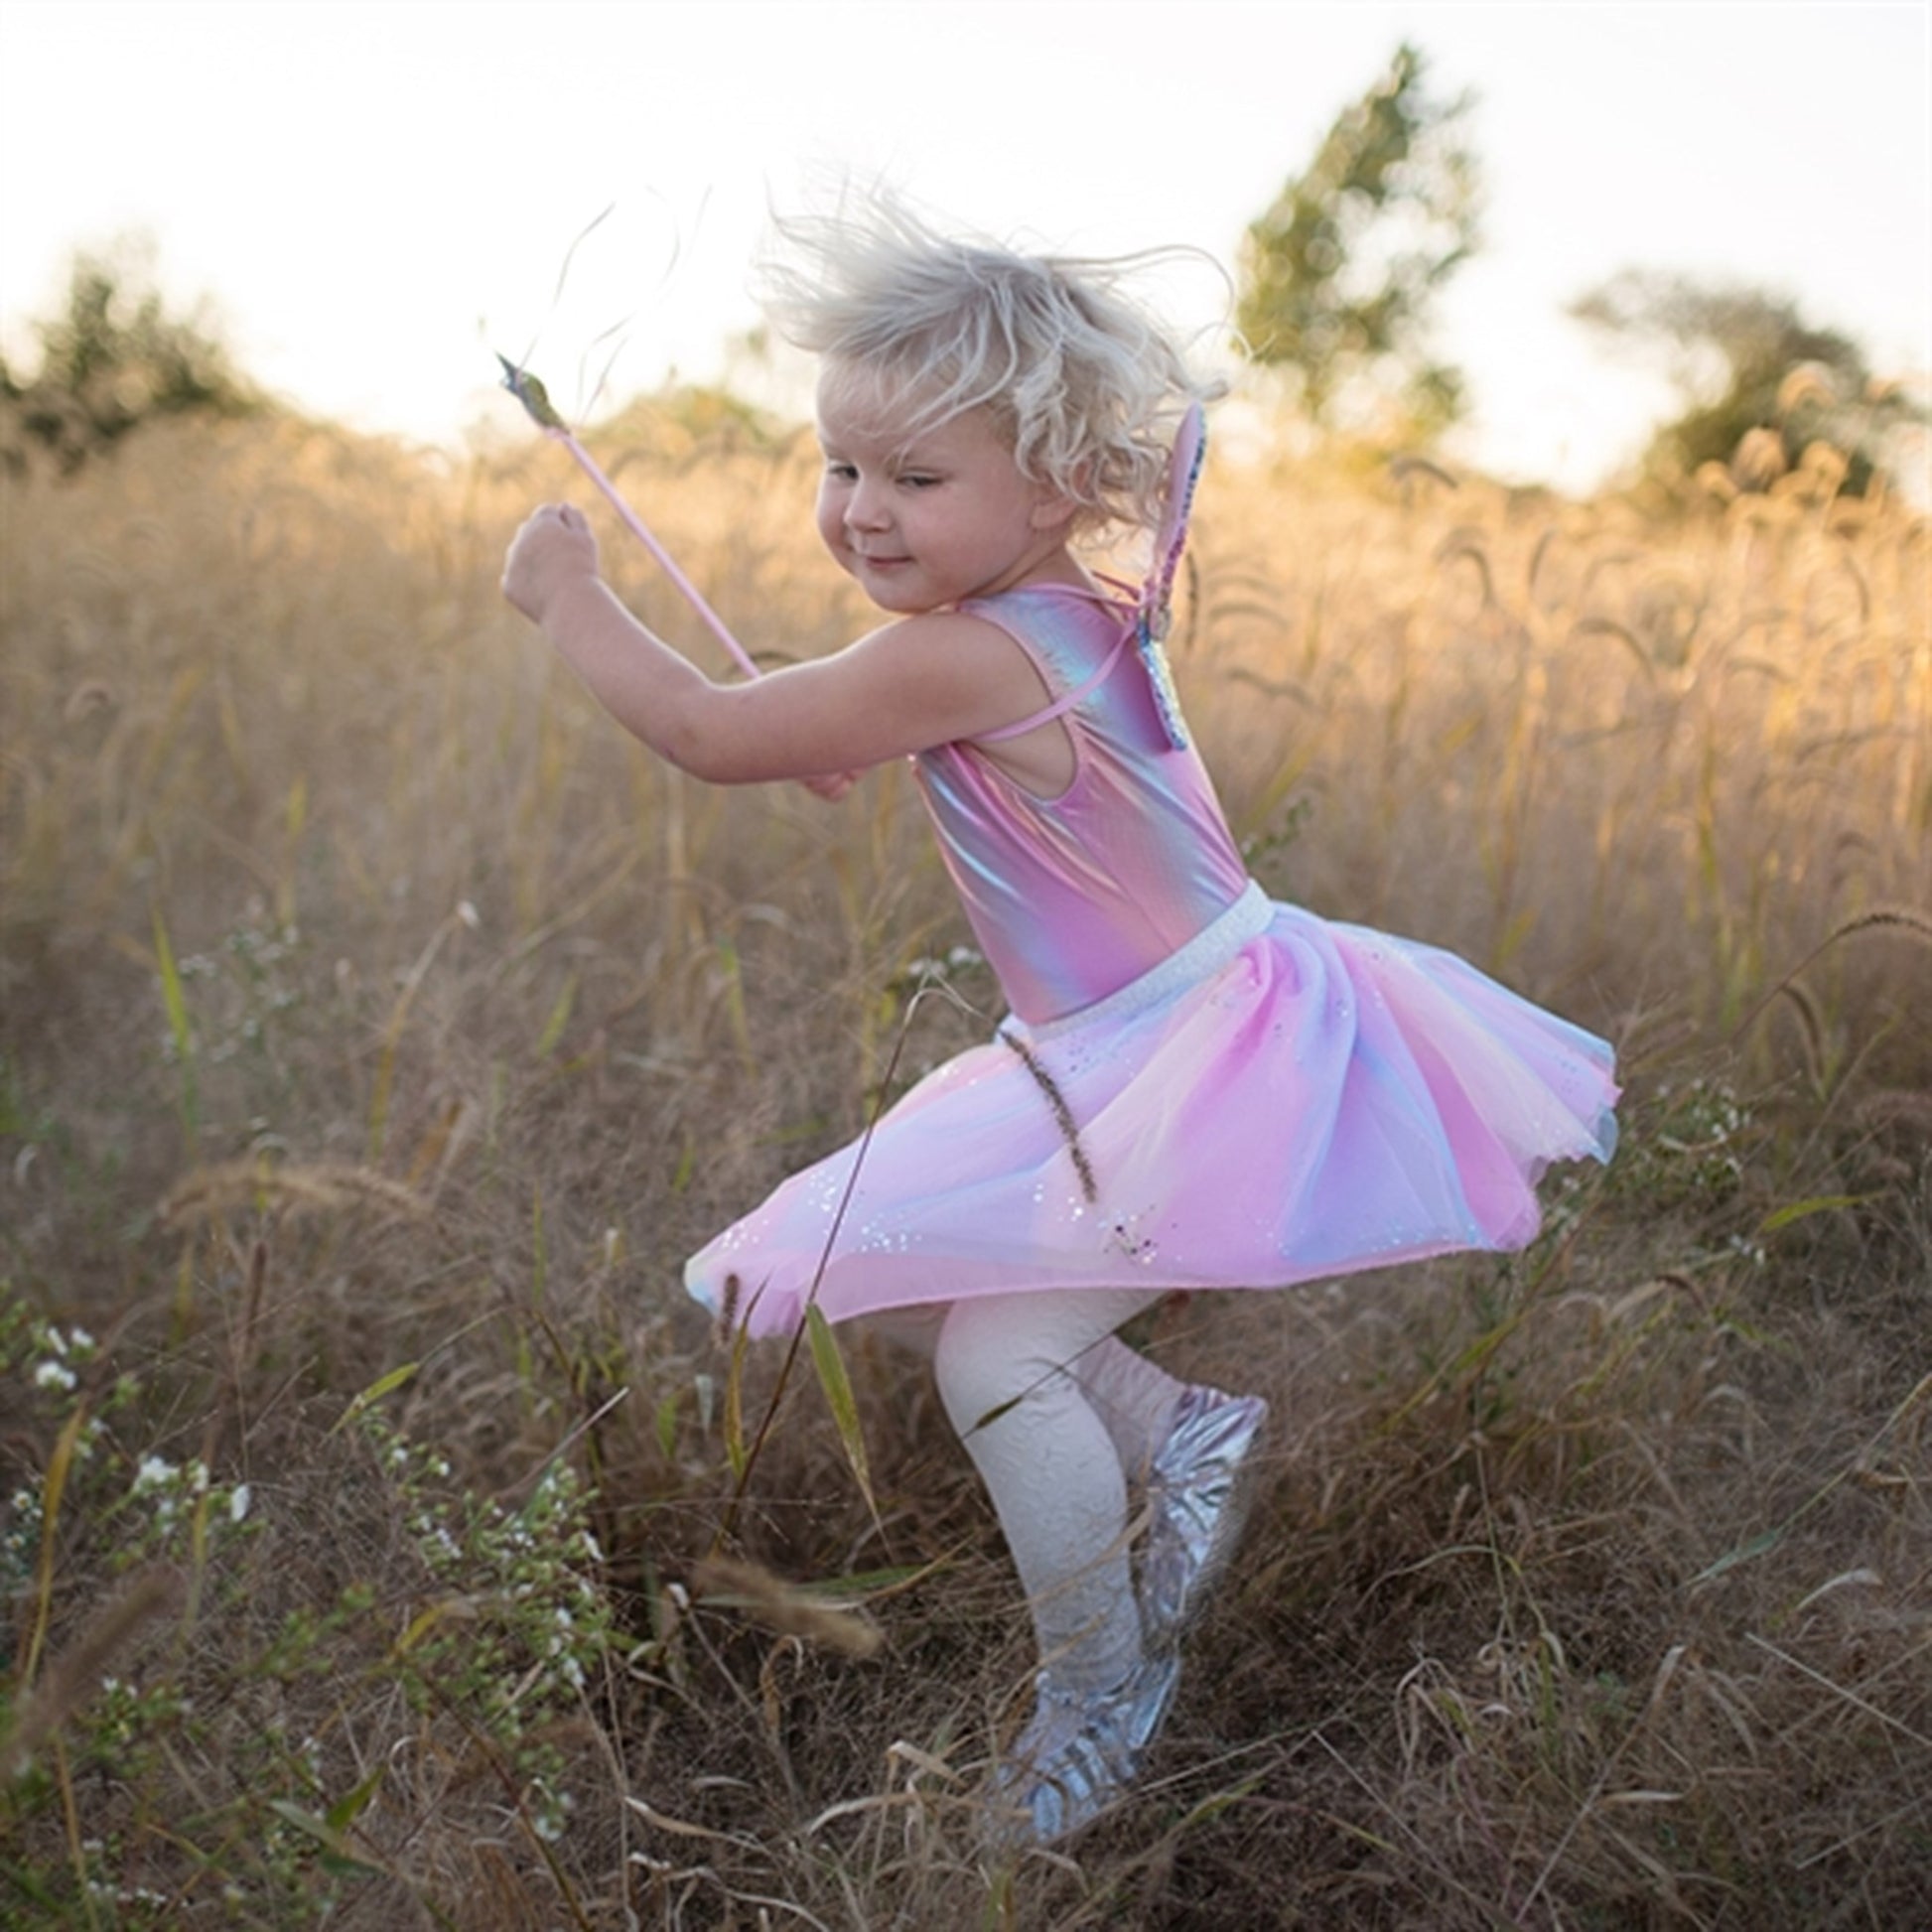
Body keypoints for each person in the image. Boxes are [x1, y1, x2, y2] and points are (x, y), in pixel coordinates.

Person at [501, 196, 1618, 1848]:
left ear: (1052, 481)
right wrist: (831, 720)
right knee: (863, 1262)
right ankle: (1183, 1432)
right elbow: (859, 723)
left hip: (1183, 1051)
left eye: (916, 477)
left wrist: (566, 597)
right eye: (841, 467)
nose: (862, 513)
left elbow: (711, 733)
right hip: (1169, 1024)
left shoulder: (958, 653)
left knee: (994, 1342)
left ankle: (1102, 1691)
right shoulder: (1054, 615)